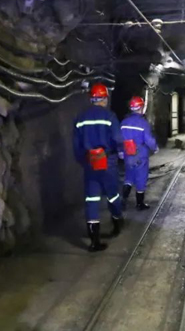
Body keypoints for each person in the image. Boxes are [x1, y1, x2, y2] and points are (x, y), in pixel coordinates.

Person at [73, 83, 124, 252]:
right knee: (113, 194)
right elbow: (117, 138)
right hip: (107, 161)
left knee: (91, 199)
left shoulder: (81, 118)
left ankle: (94, 241)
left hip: (90, 163)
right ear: (104, 98)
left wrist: (84, 161)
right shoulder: (109, 116)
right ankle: (117, 222)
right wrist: (121, 153)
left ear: (91, 99)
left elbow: (76, 145)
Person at [120, 96, 158, 210]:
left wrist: (120, 151)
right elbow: (149, 139)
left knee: (129, 177)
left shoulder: (124, 122)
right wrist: (155, 148)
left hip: (127, 153)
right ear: (141, 107)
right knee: (141, 177)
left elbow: (119, 138)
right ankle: (139, 204)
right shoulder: (143, 123)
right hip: (140, 154)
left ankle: (123, 201)